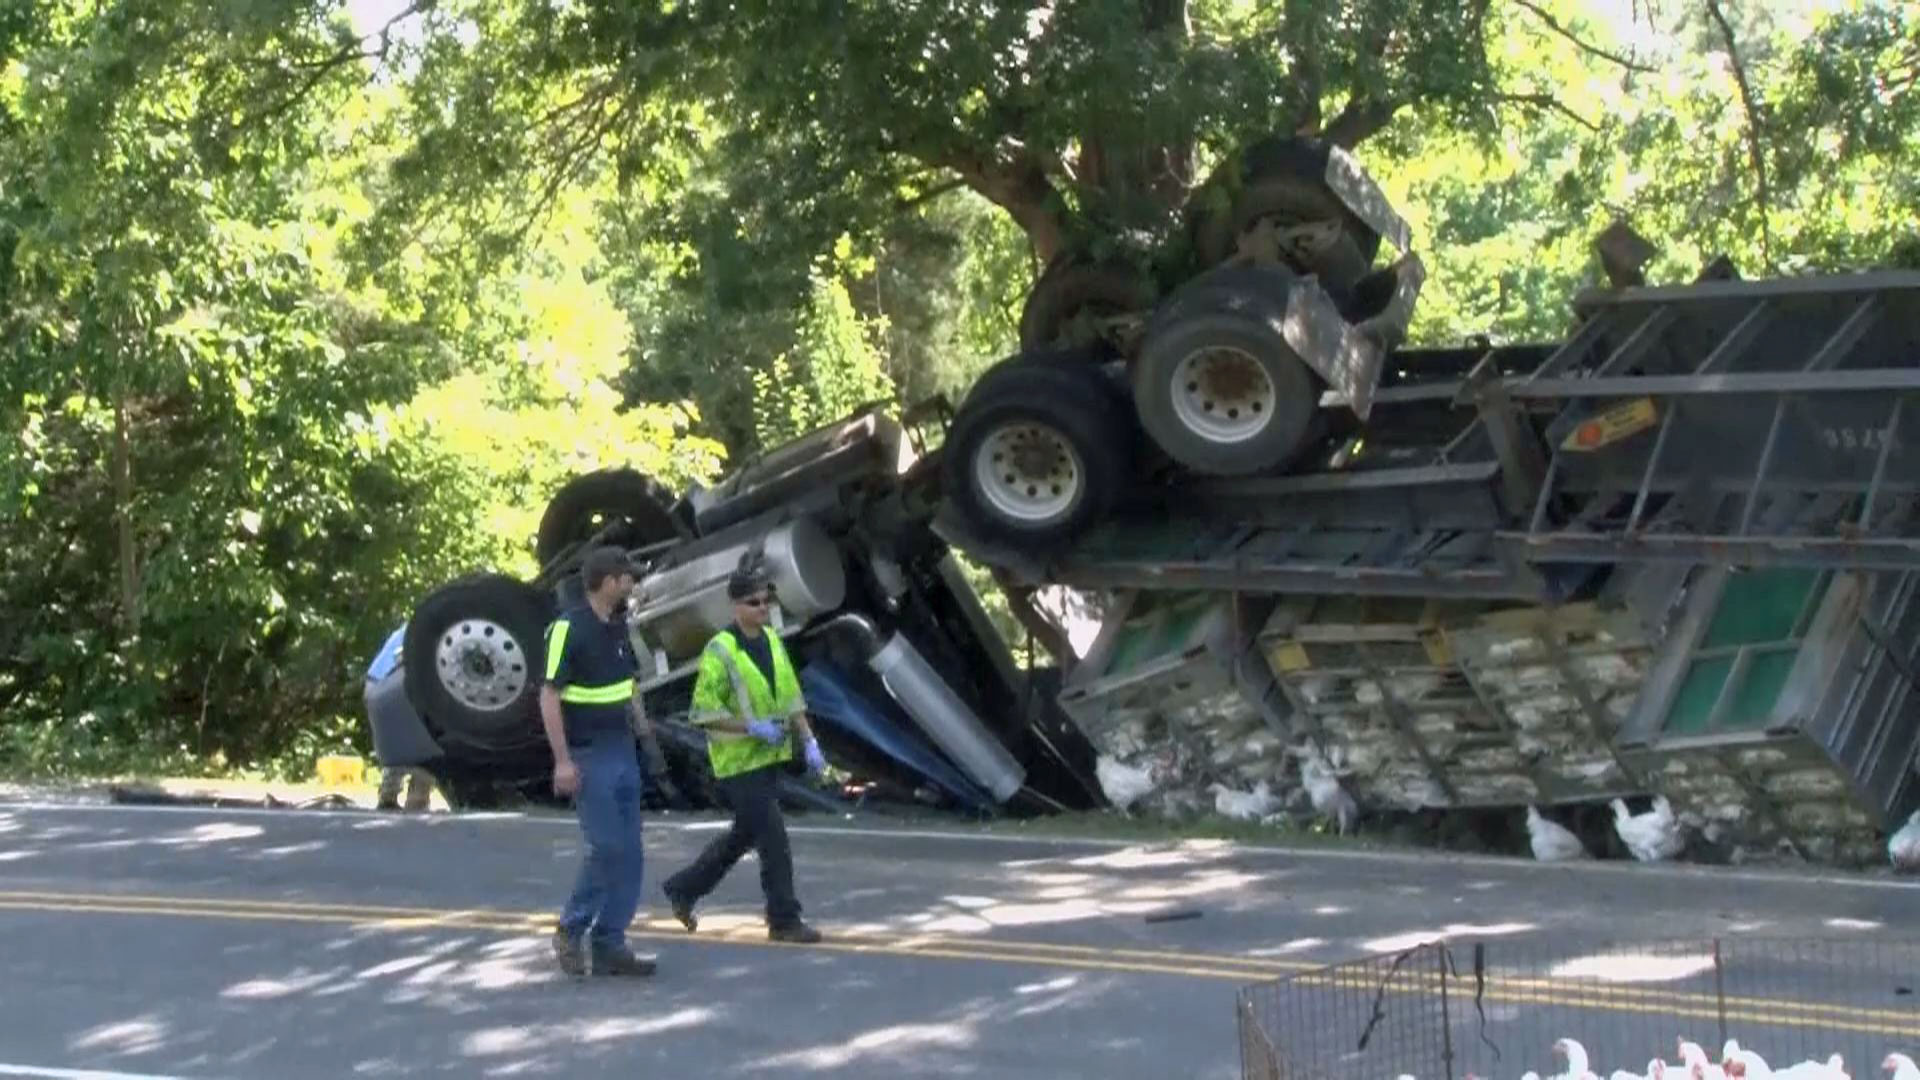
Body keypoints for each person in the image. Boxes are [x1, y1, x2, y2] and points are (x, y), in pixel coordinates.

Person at [662, 554, 828, 944]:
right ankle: (784, 920)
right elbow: (702, 712)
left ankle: (684, 888)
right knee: (774, 839)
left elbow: (790, 696)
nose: (763, 608)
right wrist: (750, 726)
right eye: (754, 602)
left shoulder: (771, 640)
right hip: (738, 761)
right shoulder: (720, 649)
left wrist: (810, 741)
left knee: (744, 835)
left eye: (766, 601)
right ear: (735, 606)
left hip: (770, 756)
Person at [541, 546, 656, 977]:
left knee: (630, 853)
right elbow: (549, 695)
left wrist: (646, 736)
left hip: (623, 749)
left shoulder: (618, 625)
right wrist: (562, 762)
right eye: (628, 577)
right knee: (607, 847)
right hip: (589, 754)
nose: (632, 584)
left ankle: (610, 942)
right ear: (608, 581)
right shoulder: (568, 629)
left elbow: (628, 685)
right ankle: (571, 929)